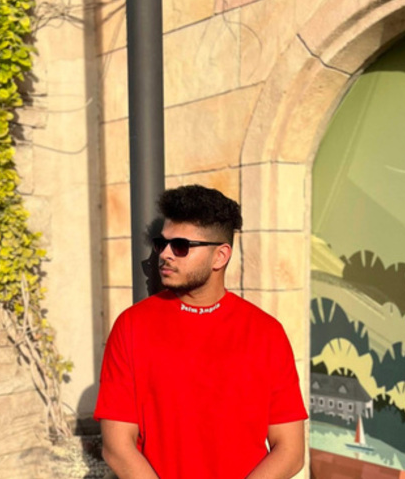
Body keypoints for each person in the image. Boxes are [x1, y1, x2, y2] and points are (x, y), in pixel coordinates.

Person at [94, 185, 308, 478]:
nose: (165, 255)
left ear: (220, 256)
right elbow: (117, 447)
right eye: (162, 243)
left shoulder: (266, 333)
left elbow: (290, 451)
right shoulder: (131, 326)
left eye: (181, 246)